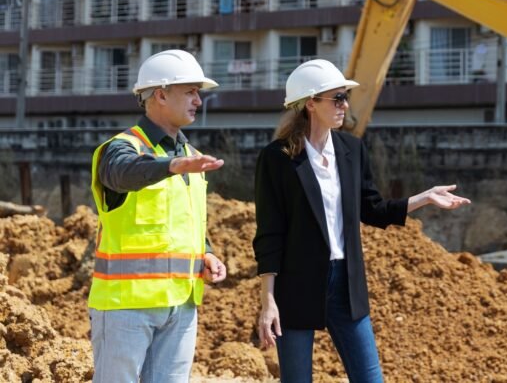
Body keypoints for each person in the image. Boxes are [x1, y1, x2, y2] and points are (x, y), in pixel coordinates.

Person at [253, 59, 471, 382]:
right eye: (336, 98)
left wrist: (423, 198)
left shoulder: (352, 149)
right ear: (310, 103)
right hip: (296, 284)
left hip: (346, 282)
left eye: (345, 97)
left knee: (370, 378)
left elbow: (372, 208)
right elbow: (270, 234)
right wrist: (267, 301)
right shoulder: (277, 158)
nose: (344, 105)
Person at [88, 49, 228, 382]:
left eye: (199, 92)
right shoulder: (122, 149)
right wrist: (170, 166)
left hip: (181, 305)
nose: (199, 100)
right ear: (161, 95)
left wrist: (206, 251)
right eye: (190, 91)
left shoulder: (191, 156)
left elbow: (182, 219)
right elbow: (123, 174)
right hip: (126, 306)